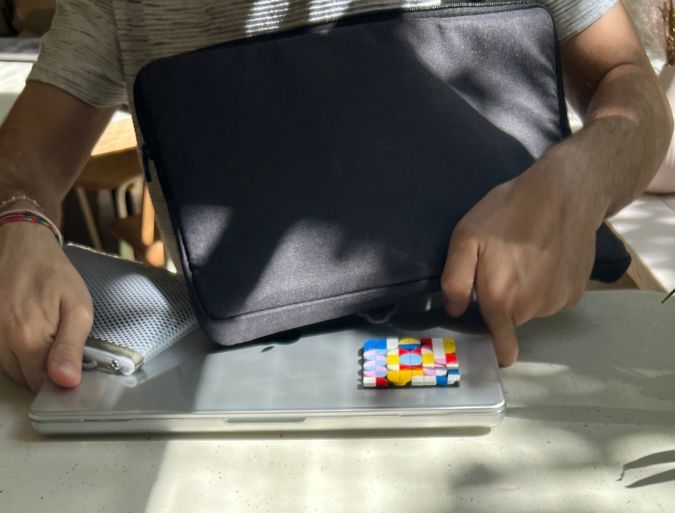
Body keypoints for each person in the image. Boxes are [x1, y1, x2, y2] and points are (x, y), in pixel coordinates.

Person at [0, 0, 671, 391]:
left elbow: (628, 86)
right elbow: (22, 163)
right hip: (245, 379)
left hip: (520, 359)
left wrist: (581, 176)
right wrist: (18, 222)